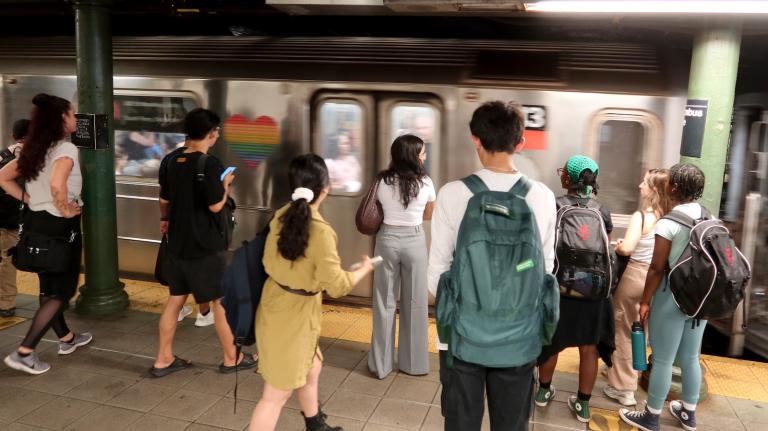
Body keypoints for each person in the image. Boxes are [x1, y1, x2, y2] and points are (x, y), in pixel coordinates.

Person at [428, 101, 556, 431]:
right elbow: (545, 269)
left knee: (461, 424)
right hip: (519, 341)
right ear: (520, 142)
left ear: (476, 139)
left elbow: (435, 277)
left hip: (462, 340)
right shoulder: (541, 196)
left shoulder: (452, 194)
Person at [249, 154, 375, 431]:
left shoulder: (280, 216)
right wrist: (363, 270)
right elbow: (338, 285)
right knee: (274, 395)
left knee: (312, 367)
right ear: (325, 188)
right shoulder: (320, 231)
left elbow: (268, 262)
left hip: (277, 304)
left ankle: (314, 424)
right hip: (293, 317)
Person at [152, 108, 256, 377]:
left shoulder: (170, 160)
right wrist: (227, 184)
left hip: (177, 243)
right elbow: (215, 205)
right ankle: (232, 358)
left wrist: (165, 220)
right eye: (217, 130)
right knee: (221, 302)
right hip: (205, 247)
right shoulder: (210, 165)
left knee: (175, 300)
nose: (218, 134)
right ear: (211, 133)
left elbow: (164, 200)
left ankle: (163, 358)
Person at [1, 94, 90, 375]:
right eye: (73, 114)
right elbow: (56, 182)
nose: (75, 119)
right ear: (62, 119)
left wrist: (28, 199)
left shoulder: (35, 149)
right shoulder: (66, 149)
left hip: (35, 223)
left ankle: (67, 339)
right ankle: (25, 352)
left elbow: (2, 177)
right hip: (60, 228)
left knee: (48, 288)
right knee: (62, 292)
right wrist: (64, 208)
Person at [619, 163, 708, 431]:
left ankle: (651, 415)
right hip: (699, 298)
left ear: (675, 188)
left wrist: (645, 301)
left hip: (671, 297)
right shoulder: (707, 215)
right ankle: (688, 414)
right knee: (691, 358)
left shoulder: (669, 221)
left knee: (662, 360)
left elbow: (657, 268)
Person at [535, 155, 615, 424]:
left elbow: (545, 246)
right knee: (589, 348)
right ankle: (582, 405)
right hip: (592, 292)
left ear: (568, 178)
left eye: (563, 172)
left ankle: (544, 392)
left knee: (553, 343)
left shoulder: (555, 205)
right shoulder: (601, 210)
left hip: (560, 287)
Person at [368, 134, 435, 379]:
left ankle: (380, 365)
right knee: (415, 303)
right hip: (415, 241)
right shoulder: (426, 182)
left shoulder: (381, 180)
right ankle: (413, 364)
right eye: (422, 152)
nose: (425, 156)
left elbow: (376, 208)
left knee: (383, 301)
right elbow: (429, 213)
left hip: (386, 240)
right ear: (413, 156)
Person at [604, 169, 670, 406]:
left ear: (653, 190)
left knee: (624, 331)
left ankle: (623, 389)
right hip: (658, 281)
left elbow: (628, 248)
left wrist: (620, 246)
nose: (640, 185)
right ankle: (626, 376)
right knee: (642, 331)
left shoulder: (642, 216)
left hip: (636, 277)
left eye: (644, 182)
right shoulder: (671, 217)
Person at [0, 119, 28, 318]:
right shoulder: (30, 158)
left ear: (13, 136)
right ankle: (6, 303)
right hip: (9, 220)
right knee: (7, 261)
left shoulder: (2, 154)